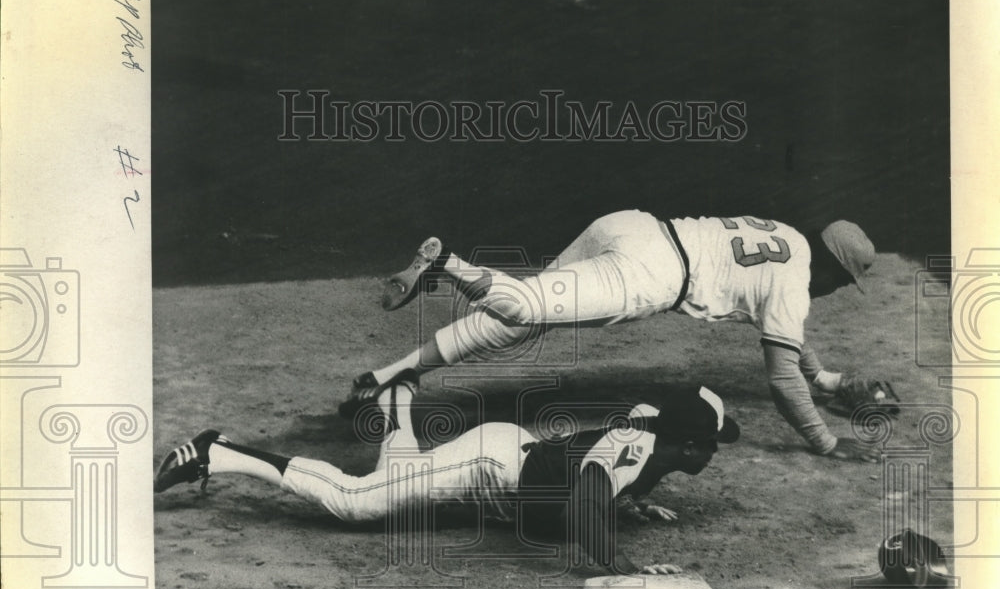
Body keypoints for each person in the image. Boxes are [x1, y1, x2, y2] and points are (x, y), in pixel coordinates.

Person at [341, 211, 882, 462]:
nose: (839, 290)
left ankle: (382, 379)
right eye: (846, 281)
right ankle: (449, 264)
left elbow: (788, 329)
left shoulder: (786, 237)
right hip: (647, 275)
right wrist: (827, 442)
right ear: (834, 269)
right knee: (526, 305)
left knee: (518, 322)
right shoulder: (795, 284)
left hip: (630, 226)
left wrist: (829, 379)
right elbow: (782, 373)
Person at [154, 374, 740, 576]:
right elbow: (588, 498)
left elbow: (609, 471)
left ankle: (399, 399)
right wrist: (623, 565)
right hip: (488, 467)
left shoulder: (653, 432)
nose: (715, 453)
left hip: (510, 459)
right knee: (356, 503)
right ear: (689, 445)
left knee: (398, 472)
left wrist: (633, 505)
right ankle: (220, 451)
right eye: (711, 444)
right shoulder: (638, 448)